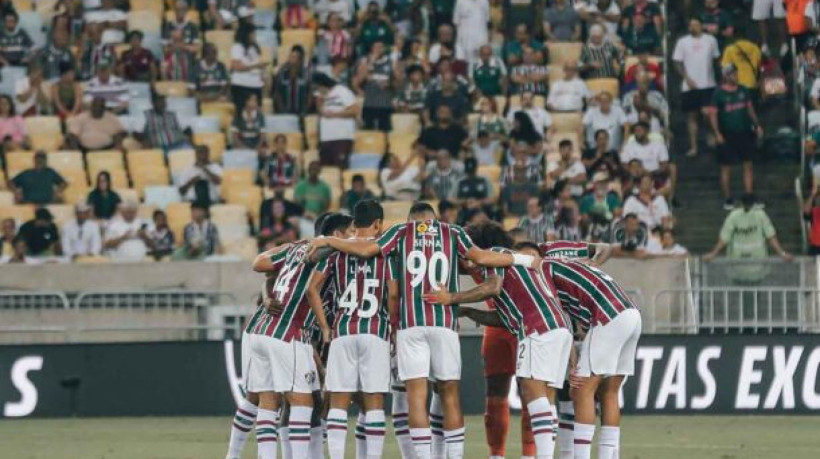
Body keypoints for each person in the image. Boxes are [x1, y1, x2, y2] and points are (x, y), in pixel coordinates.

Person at [307, 202, 538, 459]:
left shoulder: (401, 232)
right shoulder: (452, 233)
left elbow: (366, 249)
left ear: (411, 218)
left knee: (416, 395)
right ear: (434, 218)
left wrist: (327, 240)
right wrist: (525, 259)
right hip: (444, 321)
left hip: (410, 325)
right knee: (449, 393)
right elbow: (480, 258)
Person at [423, 222, 572, 459]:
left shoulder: (498, 256)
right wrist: (470, 312)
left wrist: (450, 298)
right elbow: (504, 316)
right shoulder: (509, 264)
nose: (466, 253)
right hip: (556, 326)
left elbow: (492, 288)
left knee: (533, 392)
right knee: (540, 393)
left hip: (537, 327)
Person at [247, 213, 351, 459]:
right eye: (350, 231)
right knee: (302, 402)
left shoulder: (296, 249)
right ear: (335, 235)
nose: (353, 236)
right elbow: (310, 259)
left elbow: (262, 266)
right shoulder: (323, 252)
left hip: (268, 332)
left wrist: (288, 248)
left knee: (272, 401)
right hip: (289, 332)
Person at [308, 200, 397, 459]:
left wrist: (324, 326)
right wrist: (394, 328)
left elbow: (312, 289)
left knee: (338, 401)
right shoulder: (385, 254)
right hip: (375, 330)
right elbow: (393, 294)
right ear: (378, 224)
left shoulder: (336, 253)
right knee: (374, 402)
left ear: (354, 223)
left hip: (343, 330)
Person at [541, 257, 642, 459]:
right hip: (632, 315)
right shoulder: (569, 267)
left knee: (580, 390)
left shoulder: (543, 273)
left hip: (609, 315)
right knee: (609, 393)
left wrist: (571, 362)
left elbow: (561, 321)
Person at [708, 64, 764, 209]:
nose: (735, 76)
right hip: (727, 134)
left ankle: (749, 197)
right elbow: (713, 115)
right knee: (726, 167)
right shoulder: (718, 93)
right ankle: (728, 199)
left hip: (745, 132)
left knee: (748, 164)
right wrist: (717, 133)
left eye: (735, 73)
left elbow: (750, 109)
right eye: (732, 74)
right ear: (725, 76)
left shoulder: (743, 90)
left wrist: (757, 125)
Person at [673, 17, 720, 157]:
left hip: (708, 83)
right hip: (690, 85)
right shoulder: (682, 42)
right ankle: (693, 146)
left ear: (701, 26)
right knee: (691, 116)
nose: (694, 27)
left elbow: (717, 59)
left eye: (696, 25)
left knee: (707, 113)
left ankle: (711, 134)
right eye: (691, 25)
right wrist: (686, 78)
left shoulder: (711, 40)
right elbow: (677, 62)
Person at [704, 193, 793, 262]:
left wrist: (782, 254)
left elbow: (771, 237)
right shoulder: (734, 216)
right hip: (737, 266)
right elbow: (724, 238)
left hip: (757, 265)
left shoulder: (760, 214)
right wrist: (713, 254)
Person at [314, 72, 359, 168]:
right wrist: (321, 97)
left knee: (340, 168)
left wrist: (336, 114)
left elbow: (354, 110)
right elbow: (320, 110)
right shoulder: (320, 95)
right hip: (325, 138)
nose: (317, 90)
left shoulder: (342, 91)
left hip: (342, 137)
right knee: (326, 170)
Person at [353, 40, 396, 131]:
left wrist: (390, 84)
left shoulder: (390, 62)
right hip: (370, 103)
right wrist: (371, 63)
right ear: (372, 48)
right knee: (368, 131)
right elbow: (356, 81)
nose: (379, 50)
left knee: (385, 132)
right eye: (376, 47)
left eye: (381, 47)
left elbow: (398, 82)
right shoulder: (364, 61)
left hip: (385, 103)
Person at [230, 23, 267, 111]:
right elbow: (237, 66)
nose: (255, 36)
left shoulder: (254, 48)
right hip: (242, 85)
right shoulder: (237, 47)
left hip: (256, 85)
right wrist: (256, 66)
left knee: (256, 112)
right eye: (253, 33)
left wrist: (262, 73)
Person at [273, 45, 312, 116]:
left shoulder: (306, 74)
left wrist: (305, 111)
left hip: (302, 113)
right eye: (290, 56)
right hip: (284, 112)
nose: (290, 59)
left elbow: (309, 94)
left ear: (300, 60)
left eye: (294, 57)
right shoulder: (282, 72)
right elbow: (277, 94)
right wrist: (282, 111)